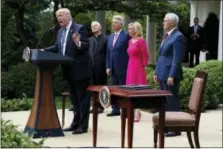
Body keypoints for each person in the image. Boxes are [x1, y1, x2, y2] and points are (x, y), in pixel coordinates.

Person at [43, 8, 92, 134]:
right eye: (57, 16)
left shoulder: (79, 28)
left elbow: (86, 45)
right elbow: (57, 47)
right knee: (74, 99)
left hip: (80, 70)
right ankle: (75, 123)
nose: (58, 18)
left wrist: (77, 42)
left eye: (60, 15)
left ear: (68, 16)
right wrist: (43, 51)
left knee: (82, 99)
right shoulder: (60, 31)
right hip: (67, 69)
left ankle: (83, 126)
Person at [154, 13, 185, 137]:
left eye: (165, 21)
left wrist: (171, 75)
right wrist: (156, 72)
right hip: (162, 73)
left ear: (172, 22)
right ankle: (166, 126)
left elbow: (177, 59)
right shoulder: (167, 35)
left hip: (170, 75)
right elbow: (161, 56)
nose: (163, 23)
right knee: (165, 101)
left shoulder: (178, 37)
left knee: (172, 101)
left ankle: (175, 128)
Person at [106, 15, 130, 116]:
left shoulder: (126, 36)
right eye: (112, 23)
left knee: (123, 88)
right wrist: (107, 66)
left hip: (123, 67)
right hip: (112, 67)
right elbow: (108, 52)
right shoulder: (110, 37)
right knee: (114, 89)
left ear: (121, 24)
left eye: (115, 22)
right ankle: (115, 109)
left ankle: (124, 109)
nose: (113, 24)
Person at [126, 22, 149, 122]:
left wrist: (143, 66)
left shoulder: (141, 41)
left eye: (131, 29)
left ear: (136, 30)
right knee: (130, 89)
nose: (129, 31)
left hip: (138, 67)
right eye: (129, 29)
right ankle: (133, 110)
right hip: (130, 66)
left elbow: (146, 55)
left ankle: (137, 111)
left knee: (138, 90)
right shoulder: (130, 41)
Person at [89, 21, 107, 114]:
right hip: (91, 67)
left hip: (101, 67)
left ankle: (102, 106)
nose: (93, 27)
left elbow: (107, 54)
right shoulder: (90, 40)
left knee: (101, 87)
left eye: (95, 25)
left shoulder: (105, 39)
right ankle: (94, 105)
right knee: (93, 87)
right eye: (92, 26)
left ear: (100, 27)